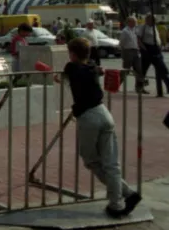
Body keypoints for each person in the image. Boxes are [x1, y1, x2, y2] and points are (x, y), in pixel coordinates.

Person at [61, 38, 141, 218]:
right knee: (112, 163)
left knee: (91, 160)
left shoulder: (72, 68)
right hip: (104, 113)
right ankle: (123, 198)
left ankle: (120, 201)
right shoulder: (92, 67)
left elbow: (67, 72)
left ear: (73, 54)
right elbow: (92, 67)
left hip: (89, 117)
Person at [118, 17, 144, 93]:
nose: (135, 23)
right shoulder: (125, 31)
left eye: (135, 22)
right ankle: (116, 85)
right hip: (128, 51)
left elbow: (137, 40)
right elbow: (121, 43)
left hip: (136, 51)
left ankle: (139, 88)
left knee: (139, 70)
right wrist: (124, 53)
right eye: (134, 22)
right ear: (129, 22)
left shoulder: (135, 30)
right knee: (126, 70)